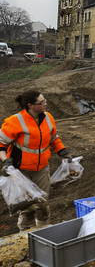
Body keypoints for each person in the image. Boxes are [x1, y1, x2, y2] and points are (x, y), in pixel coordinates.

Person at [0, 90, 72, 231]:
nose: (46, 104)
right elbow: (1, 145)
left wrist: (62, 150)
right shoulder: (15, 121)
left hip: (42, 168)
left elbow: (53, 138)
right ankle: (25, 234)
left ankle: (43, 230)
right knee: (27, 206)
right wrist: (6, 161)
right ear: (30, 105)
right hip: (21, 171)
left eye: (45, 100)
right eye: (42, 102)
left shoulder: (48, 118)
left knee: (42, 203)